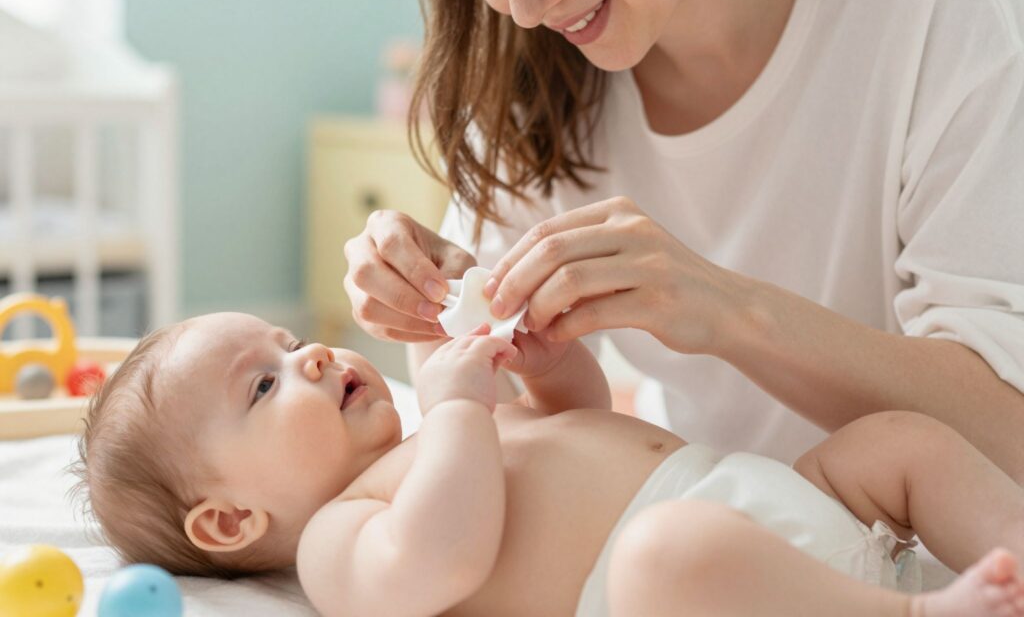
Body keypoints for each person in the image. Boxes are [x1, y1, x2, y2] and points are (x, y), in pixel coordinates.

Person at [342, 0, 1024, 479]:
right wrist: (436, 298)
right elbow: (491, 431)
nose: (521, 8)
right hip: (713, 556)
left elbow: (1008, 432)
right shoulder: (536, 81)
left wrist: (731, 313)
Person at [75, 312, 1024, 616]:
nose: (312, 358)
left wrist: (550, 368)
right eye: (264, 388)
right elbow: (444, 558)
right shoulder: (336, 540)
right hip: (697, 586)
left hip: (797, 508)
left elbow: (586, 426)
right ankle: (920, 614)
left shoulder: (433, 445)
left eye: (288, 342)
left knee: (897, 441)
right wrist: (455, 406)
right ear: (231, 522)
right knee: (669, 550)